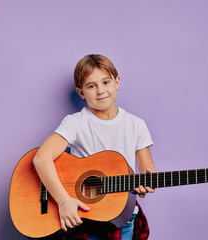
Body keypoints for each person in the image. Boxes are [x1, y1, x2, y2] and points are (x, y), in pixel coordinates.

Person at [33, 54, 157, 240]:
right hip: (85, 220)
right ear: (81, 92)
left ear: (117, 82)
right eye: (91, 86)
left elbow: (148, 170)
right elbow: (41, 158)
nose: (100, 91)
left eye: (106, 82)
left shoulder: (136, 125)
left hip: (123, 220)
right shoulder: (75, 123)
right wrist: (64, 201)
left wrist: (148, 183)